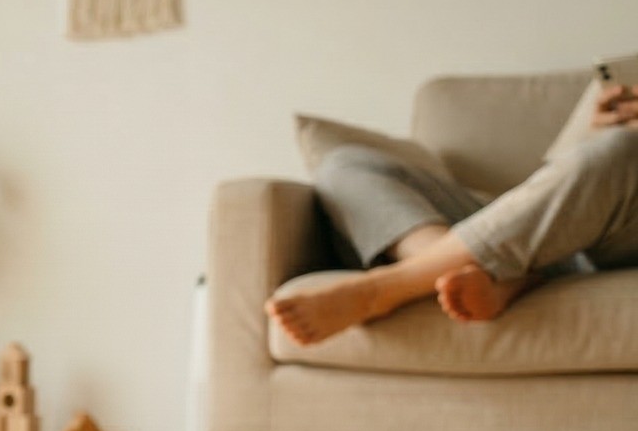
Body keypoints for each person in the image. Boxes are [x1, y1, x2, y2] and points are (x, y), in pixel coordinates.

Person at [268, 81, 638, 346]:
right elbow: (559, 180)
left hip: (612, 237)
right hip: (546, 218)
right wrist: (593, 135)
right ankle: (486, 269)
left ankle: (386, 288)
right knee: (345, 164)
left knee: (625, 151)